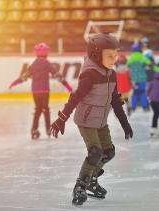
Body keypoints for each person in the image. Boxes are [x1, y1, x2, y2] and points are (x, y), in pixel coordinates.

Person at [49, 33, 133, 206]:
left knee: (108, 152)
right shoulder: (90, 75)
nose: (114, 59)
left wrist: (125, 123)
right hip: (86, 120)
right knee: (95, 152)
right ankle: (80, 186)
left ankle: (92, 180)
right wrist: (61, 119)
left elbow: (115, 100)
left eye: (115, 55)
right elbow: (75, 98)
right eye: (109, 55)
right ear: (96, 54)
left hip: (101, 121)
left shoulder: (112, 74)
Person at [9, 43, 72, 139]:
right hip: (45, 91)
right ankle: (48, 129)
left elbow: (24, 76)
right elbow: (57, 76)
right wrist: (68, 87)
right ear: (46, 53)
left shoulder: (33, 64)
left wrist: (14, 83)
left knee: (38, 110)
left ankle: (34, 129)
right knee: (46, 109)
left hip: (35, 91)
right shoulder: (47, 64)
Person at [127, 43, 151, 111]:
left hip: (134, 79)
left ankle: (133, 106)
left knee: (135, 93)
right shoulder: (142, 58)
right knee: (142, 92)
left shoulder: (130, 59)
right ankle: (145, 106)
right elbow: (149, 63)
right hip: (142, 79)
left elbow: (127, 66)